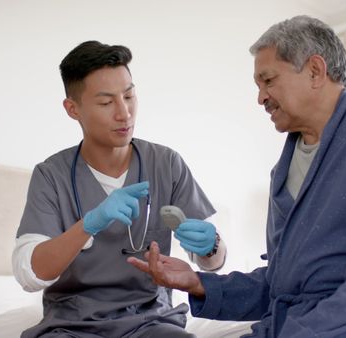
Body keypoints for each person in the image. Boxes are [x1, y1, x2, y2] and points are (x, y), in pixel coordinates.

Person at [128, 15, 346, 338]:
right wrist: (199, 283)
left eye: (269, 81)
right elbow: (282, 282)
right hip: (306, 324)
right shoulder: (284, 171)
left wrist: (309, 329)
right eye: (258, 86)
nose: (260, 98)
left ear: (315, 71)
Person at [12, 40, 226, 338]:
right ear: (73, 109)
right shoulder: (51, 176)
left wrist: (211, 245)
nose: (124, 113)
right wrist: (87, 225)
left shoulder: (166, 163)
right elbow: (30, 274)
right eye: (106, 102)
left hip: (152, 321)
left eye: (129, 95)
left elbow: (212, 262)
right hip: (72, 325)